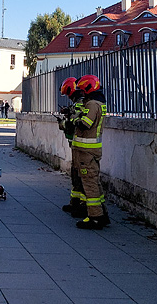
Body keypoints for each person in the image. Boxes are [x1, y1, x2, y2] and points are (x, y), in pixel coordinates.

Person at [71, 74, 109, 229]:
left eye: (83, 89)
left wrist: (74, 119)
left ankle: (95, 217)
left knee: (89, 183)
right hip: (90, 150)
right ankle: (102, 213)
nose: (82, 92)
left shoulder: (92, 104)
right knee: (94, 182)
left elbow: (85, 124)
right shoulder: (97, 102)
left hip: (87, 152)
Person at [56, 77, 86, 218]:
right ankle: (75, 202)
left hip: (80, 144)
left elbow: (73, 123)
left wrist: (63, 121)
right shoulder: (78, 103)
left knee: (80, 175)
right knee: (75, 174)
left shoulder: (80, 104)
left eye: (68, 93)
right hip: (75, 143)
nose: (68, 96)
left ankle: (82, 205)